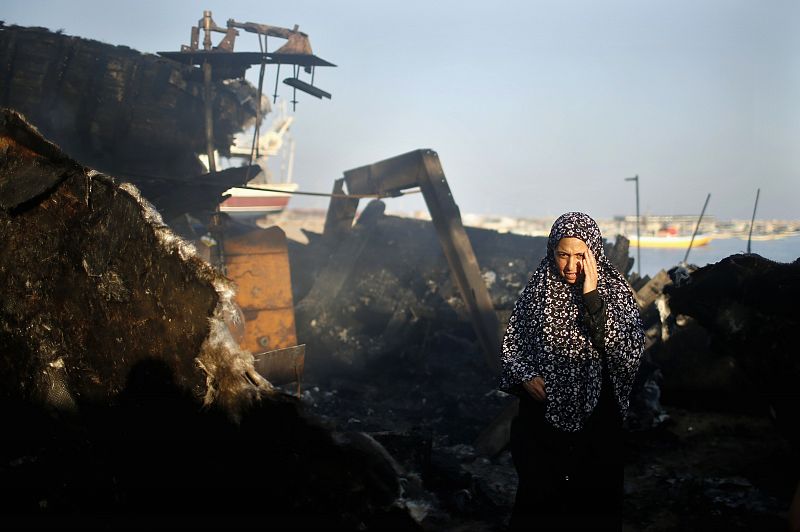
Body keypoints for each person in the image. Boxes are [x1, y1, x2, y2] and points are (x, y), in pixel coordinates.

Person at [500, 211, 645, 531]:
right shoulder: (539, 287)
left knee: (592, 504)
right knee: (540, 502)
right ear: (551, 251)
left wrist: (592, 296)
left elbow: (627, 351)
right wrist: (524, 374)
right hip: (543, 418)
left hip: (597, 418)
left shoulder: (615, 291)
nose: (569, 265)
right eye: (562, 254)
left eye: (580, 256)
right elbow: (513, 346)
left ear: (593, 253)